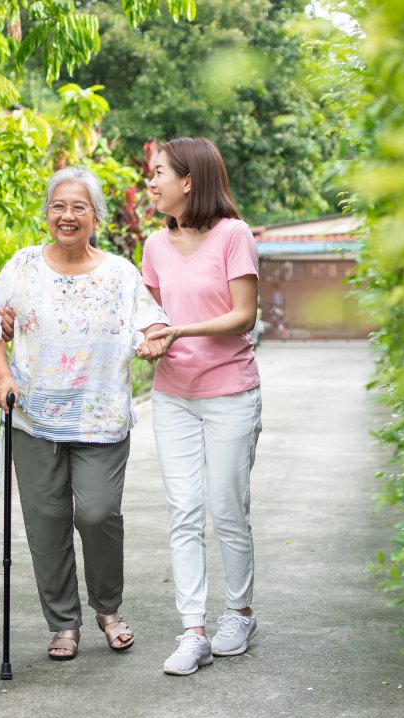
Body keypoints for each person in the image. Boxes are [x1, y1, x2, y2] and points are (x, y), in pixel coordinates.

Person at [0, 166, 168, 661]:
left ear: (96, 216)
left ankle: (108, 608)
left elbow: (156, 323)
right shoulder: (23, 266)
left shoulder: (120, 273)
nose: (68, 215)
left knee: (98, 513)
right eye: (59, 205)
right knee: (46, 520)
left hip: (100, 420)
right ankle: (63, 623)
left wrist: (150, 342)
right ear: (46, 214)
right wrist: (2, 377)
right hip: (34, 418)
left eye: (79, 206)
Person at [136, 137, 263, 676]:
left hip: (231, 391)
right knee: (183, 512)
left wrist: (180, 329)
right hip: (173, 396)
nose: (151, 181)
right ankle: (193, 629)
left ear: (189, 180)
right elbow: (147, 311)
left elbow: (244, 315)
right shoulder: (153, 245)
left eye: (159, 171)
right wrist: (148, 338)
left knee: (226, 507)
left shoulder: (234, 235)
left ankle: (240, 611)